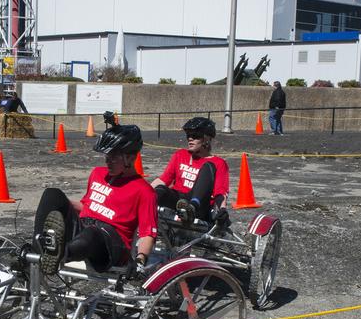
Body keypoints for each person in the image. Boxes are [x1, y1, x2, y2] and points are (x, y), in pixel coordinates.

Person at [33, 117, 156, 276]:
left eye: (113, 157)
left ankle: (60, 254)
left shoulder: (144, 190)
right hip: (84, 227)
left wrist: (140, 260)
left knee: (92, 232)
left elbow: (148, 233)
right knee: (52, 194)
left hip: (111, 244)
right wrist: (59, 203)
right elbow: (87, 206)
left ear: (131, 158)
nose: (108, 161)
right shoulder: (98, 174)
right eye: (106, 156)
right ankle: (37, 249)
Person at [149, 116, 230, 226]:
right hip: (179, 201)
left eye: (195, 136)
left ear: (207, 138)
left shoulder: (218, 163)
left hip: (200, 204)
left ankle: (191, 208)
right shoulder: (180, 155)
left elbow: (220, 191)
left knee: (208, 166)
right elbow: (164, 179)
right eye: (188, 136)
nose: (190, 139)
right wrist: (142, 193)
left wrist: (222, 209)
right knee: (160, 190)